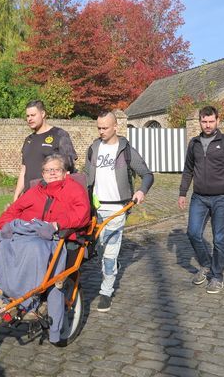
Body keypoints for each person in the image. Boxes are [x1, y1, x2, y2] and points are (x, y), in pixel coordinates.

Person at [0, 153, 90, 344]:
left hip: (54, 236)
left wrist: (56, 225)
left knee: (34, 249)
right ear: (43, 174)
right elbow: (14, 209)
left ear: (65, 172)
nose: (51, 174)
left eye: (56, 170)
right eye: (47, 170)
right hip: (28, 232)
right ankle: (5, 296)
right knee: (3, 244)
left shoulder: (74, 189)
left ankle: (29, 301)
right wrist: (5, 224)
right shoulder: (36, 190)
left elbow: (82, 213)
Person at [84, 111, 154, 312]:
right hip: (96, 210)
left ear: (116, 127)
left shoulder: (126, 151)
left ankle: (106, 292)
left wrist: (141, 191)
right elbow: (87, 178)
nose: (101, 131)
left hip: (118, 209)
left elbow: (147, 175)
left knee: (109, 254)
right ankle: (112, 268)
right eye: (99, 127)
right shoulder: (94, 148)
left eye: (105, 127)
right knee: (99, 250)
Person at [178, 106, 224, 294]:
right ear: (200, 122)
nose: (207, 125)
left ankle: (217, 276)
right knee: (193, 233)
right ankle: (206, 264)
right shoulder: (194, 143)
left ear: (217, 121)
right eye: (204, 121)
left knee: (219, 239)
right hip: (199, 198)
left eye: (211, 121)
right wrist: (182, 192)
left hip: (222, 198)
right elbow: (188, 170)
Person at [13, 100, 77, 201]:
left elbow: (69, 169)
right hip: (29, 196)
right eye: (27, 116)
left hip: (50, 198)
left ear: (42, 114)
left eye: (33, 115)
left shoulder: (59, 135)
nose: (29, 119)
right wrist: (17, 194)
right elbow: (24, 170)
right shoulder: (28, 140)